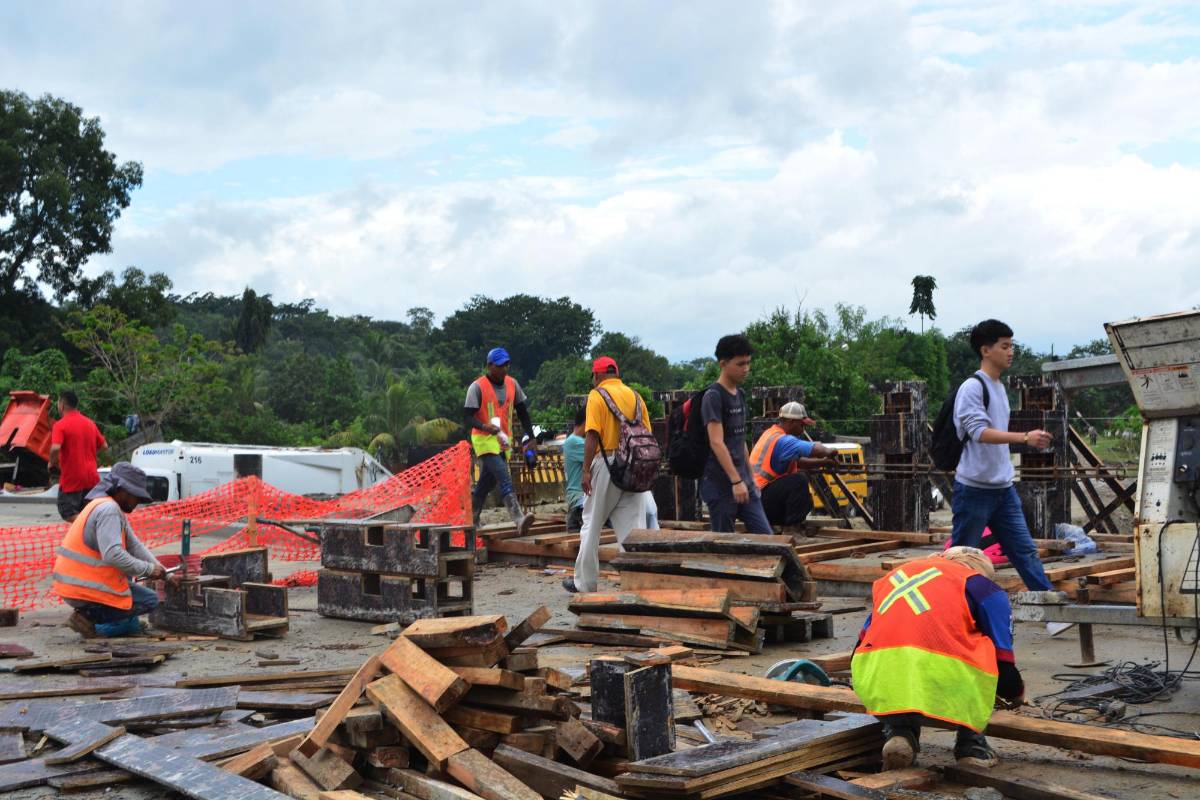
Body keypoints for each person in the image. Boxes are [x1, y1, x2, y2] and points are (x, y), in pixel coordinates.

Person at [851, 546, 1024, 770]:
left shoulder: (893, 578)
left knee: (901, 660)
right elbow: (1004, 664)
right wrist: (1016, 693)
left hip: (875, 683)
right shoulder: (983, 588)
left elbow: (861, 643)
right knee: (982, 648)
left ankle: (900, 733)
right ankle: (971, 746)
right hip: (946, 686)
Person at [951, 320, 1055, 595]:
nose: (1011, 352)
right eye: (1004, 346)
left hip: (1003, 489)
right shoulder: (972, 388)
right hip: (973, 490)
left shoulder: (998, 387)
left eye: (1012, 346)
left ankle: (1051, 611)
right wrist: (1024, 438)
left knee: (1025, 552)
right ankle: (952, 612)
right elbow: (979, 432)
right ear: (986, 350)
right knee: (962, 561)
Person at [53, 462, 179, 638]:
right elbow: (113, 555)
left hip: (74, 584)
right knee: (149, 600)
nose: (137, 503)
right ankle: (86, 618)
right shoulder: (109, 510)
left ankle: (103, 617)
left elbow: (135, 546)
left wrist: (167, 574)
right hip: (82, 587)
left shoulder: (104, 505)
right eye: (136, 497)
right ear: (122, 491)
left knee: (128, 576)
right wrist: (149, 570)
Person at [564, 357, 650, 593]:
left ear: (598, 375)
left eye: (593, 377)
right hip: (634, 464)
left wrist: (585, 471)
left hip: (607, 462)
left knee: (591, 524)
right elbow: (646, 433)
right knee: (633, 530)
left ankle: (585, 583)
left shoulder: (597, 396)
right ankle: (636, 582)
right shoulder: (636, 397)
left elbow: (592, 435)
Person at [700, 334, 771, 534]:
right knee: (725, 545)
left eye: (748, 363)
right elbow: (716, 442)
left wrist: (750, 478)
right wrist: (736, 481)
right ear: (723, 363)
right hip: (720, 485)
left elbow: (740, 441)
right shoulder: (713, 396)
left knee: (767, 540)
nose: (746, 369)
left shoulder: (740, 395)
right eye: (740, 364)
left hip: (744, 483)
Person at [464, 348, 536, 535]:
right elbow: (467, 417)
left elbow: (523, 412)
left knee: (486, 483)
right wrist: (484, 426)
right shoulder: (477, 387)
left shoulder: (513, 384)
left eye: (506, 364)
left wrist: (531, 437)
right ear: (489, 366)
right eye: (500, 365)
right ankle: (519, 519)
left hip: (503, 441)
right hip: (484, 440)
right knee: (503, 476)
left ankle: (472, 517)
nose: (505, 368)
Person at [748, 401, 838, 529]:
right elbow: (815, 449)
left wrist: (823, 462)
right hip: (759, 500)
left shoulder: (771, 434)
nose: (803, 429)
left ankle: (783, 526)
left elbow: (798, 462)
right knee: (798, 481)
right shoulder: (783, 440)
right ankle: (792, 530)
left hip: (755, 500)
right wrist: (829, 451)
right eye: (802, 425)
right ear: (791, 422)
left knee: (806, 500)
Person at [49, 390, 108, 522]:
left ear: (62, 405)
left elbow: (55, 447)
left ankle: (91, 526)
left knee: (67, 512)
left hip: (72, 478)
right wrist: (90, 453)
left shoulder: (60, 425)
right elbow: (104, 445)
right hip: (92, 478)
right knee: (86, 511)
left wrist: (51, 462)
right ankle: (87, 537)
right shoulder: (90, 423)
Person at [562, 409, 586, 533]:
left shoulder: (572, 441)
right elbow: (599, 457)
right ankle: (576, 516)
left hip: (580, 497)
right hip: (579, 498)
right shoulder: (575, 442)